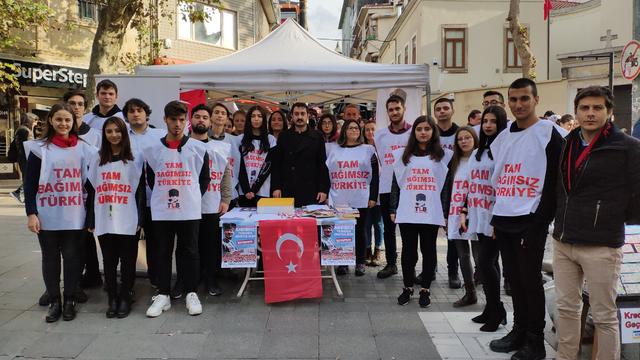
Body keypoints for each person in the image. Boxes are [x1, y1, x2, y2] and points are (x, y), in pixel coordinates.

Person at [553, 86, 640, 360]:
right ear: (576, 112)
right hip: (564, 241)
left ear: (609, 112)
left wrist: (612, 216)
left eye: (598, 107)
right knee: (567, 309)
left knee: (604, 316)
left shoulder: (627, 147)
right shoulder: (567, 143)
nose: (590, 113)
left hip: (601, 244)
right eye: (585, 108)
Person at [488, 78, 564, 359]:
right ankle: (519, 329)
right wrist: (496, 217)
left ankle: (535, 339)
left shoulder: (550, 133)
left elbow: (555, 182)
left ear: (536, 100)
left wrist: (539, 221)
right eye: (513, 99)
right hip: (505, 216)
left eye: (524, 99)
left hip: (531, 218)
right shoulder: (505, 135)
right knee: (514, 278)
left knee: (530, 279)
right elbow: (500, 177)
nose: (518, 105)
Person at [23, 103, 97, 322]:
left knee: (73, 259)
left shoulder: (85, 149)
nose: (63, 124)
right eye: (59, 119)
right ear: (51, 121)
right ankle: (55, 300)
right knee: (50, 258)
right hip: (47, 214)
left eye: (67, 120)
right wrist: (31, 213)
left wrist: (91, 215)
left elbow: (91, 186)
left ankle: (70, 299)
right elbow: (30, 184)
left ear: (73, 122)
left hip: (75, 214)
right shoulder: (39, 149)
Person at [142, 101, 210, 318]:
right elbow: (152, 179)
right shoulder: (152, 150)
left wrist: (188, 195)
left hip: (189, 208)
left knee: (189, 250)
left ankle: (191, 291)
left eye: (182, 120)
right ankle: (163, 294)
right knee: (162, 250)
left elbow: (204, 179)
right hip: (162, 209)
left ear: (186, 120)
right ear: (165, 120)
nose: (177, 124)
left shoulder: (199, 148)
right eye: (173, 120)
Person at [85, 117, 144, 318]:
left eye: (117, 131)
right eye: (109, 131)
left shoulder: (135, 158)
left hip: (128, 216)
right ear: (104, 134)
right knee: (109, 261)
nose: (113, 135)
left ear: (124, 133)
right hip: (104, 216)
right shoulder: (96, 157)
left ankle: (125, 297)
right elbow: (92, 190)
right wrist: (91, 218)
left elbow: (140, 190)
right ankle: (112, 298)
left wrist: (140, 219)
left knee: (128, 261)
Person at [391, 115, 453, 308]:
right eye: (419, 129)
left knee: (429, 250)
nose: (423, 132)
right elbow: (396, 183)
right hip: (408, 210)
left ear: (433, 131)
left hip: (431, 211)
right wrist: (393, 207)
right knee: (409, 252)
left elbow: (445, 187)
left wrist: (444, 211)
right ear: (414, 132)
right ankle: (408, 287)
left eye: (427, 129)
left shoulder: (443, 156)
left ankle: (425, 289)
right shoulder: (403, 155)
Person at [460, 106, 509, 332]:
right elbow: (470, 184)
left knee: (486, 263)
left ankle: (497, 309)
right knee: (488, 263)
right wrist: (465, 211)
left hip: (494, 215)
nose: (488, 125)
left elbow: (504, 185)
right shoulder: (480, 151)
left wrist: (498, 219)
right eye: (485, 121)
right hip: (478, 213)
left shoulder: (503, 149)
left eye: (493, 121)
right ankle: (491, 308)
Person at [189, 103, 233, 296]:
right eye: (197, 117)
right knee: (189, 247)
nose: (201, 120)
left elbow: (226, 175)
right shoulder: (183, 145)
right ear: (191, 120)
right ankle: (189, 280)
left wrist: (226, 198)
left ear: (210, 121)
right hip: (188, 206)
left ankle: (210, 280)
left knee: (210, 246)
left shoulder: (222, 147)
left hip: (213, 203)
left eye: (204, 117)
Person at [326, 119, 379, 276]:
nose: (354, 131)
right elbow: (327, 171)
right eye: (350, 128)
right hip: (339, 197)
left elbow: (375, 175)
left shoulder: (368, 149)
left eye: (356, 128)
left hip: (361, 197)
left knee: (360, 230)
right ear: (344, 131)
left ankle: (360, 262)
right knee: (342, 230)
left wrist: (373, 196)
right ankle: (342, 262)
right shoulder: (334, 149)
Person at [122, 98, 166, 289]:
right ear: (126, 116)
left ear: (146, 113)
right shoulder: (120, 135)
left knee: (156, 244)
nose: (136, 114)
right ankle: (127, 284)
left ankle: (156, 280)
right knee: (129, 244)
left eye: (139, 110)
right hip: (129, 200)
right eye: (131, 111)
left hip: (156, 198)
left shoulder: (160, 135)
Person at [374, 95, 412, 279]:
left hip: (409, 188)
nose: (394, 112)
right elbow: (381, 161)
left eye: (397, 108)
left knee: (409, 230)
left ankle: (410, 264)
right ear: (387, 112)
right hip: (387, 187)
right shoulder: (379, 135)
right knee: (388, 229)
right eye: (391, 109)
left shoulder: (414, 132)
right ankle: (391, 263)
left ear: (404, 108)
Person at [444, 126, 480, 307]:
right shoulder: (454, 162)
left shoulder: (481, 160)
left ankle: (491, 297)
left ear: (474, 139)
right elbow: (446, 189)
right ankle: (470, 292)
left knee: (479, 256)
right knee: (463, 255)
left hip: (475, 212)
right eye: (460, 139)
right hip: (455, 213)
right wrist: (444, 214)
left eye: (467, 138)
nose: (464, 141)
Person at [271, 102, 329, 207]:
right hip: (288, 189)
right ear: (292, 116)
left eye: (302, 114)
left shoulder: (318, 136)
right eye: (296, 114)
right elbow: (277, 164)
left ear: (307, 115)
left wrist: (323, 189)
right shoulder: (284, 136)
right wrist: (276, 187)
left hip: (311, 190)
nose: (300, 117)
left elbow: (322, 165)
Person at [433, 97, 461, 288]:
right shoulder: (429, 132)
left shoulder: (460, 133)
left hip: (454, 187)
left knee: (452, 232)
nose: (442, 111)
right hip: (431, 187)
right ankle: (430, 268)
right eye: (438, 109)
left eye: (445, 108)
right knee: (429, 232)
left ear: (452, 110)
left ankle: (453, 272)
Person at [237, 106, 277, 207]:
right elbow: (239, 166)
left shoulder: (270, 139)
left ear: (263, 119)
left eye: (259, 116)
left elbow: (268, 166)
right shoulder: (240, 139)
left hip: (262, 191)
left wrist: (254, 189)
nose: (256, 119)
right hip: (244, 192)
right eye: (253, 116)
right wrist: (246, 190)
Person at [363, 120, 384, 266]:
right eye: (367, 130)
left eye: (373, 130)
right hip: (365, 191)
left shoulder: (383, 148)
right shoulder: (362, 149)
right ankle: (367, 249)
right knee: (366, 223)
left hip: (380, 191)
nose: (370, 133)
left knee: (378, 223)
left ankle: (377, 249)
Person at [9, 113, 33, 203]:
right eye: (33, 120)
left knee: (28, 177)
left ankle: (24, 194)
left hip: (23, 157)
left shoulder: (21, 129)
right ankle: (18, 193)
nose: (34, 122)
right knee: (28, 177)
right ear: (29, 120)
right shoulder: (24, 130)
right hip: (25, 157)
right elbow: (24, 146)